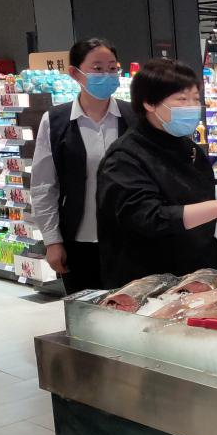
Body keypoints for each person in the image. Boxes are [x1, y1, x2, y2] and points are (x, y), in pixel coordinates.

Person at [97, 59, 217, 289]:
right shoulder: (124, 157)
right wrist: (216, 208)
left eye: (196, 99)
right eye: (181, 99)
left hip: (196, 270)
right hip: (147, 280)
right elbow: (147, 217)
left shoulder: (189, 149)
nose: (192, 106)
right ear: (149, 103)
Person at [31, 38, 136, 295]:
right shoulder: (55, 121)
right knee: (85, 311)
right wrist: (52, 241)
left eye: (112, 68)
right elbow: (44, 186)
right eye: (97, 68)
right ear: (74, 73)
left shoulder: (134, 117)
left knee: (131, 310)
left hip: (131, 240)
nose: (107, 74)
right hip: (78, 242)